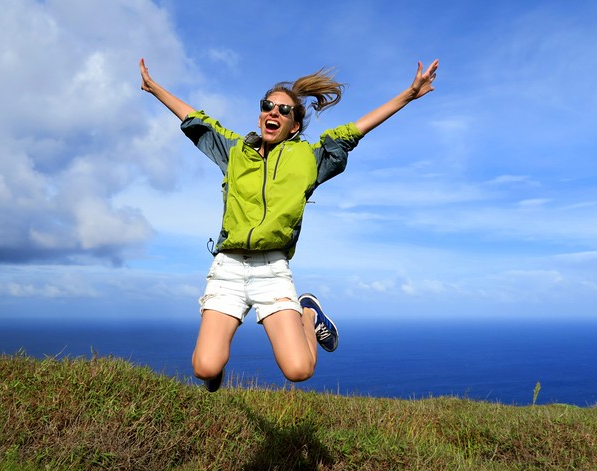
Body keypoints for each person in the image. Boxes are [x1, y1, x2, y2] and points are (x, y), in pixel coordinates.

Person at [140, 56, 438, 392]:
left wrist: (408, 95)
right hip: (228, 268)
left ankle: (308, 313)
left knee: (299, 370)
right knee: (204, 366)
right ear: (260, 113)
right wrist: (153, 88)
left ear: (294, 126)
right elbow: (196, 119)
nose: (274, 113)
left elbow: (357, 129)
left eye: (284, 111)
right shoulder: (236, 152)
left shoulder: (309, 159)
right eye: (268, 106)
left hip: (272, 270)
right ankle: (215, 365)